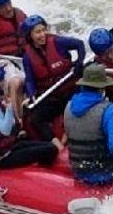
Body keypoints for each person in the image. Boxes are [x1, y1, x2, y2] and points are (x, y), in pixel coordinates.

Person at [0, 66, 58, 169]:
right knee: (51, 149)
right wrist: (10, 107)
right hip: (2, 156)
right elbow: (5, 130)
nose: (4, 83)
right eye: (1, 81)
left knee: (45, 145)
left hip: (8, 147)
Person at [21, 15, 85, 147]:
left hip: (70, 91)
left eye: (44, 30)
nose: (42, 35)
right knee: (36, 119)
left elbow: (79, 44)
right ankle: (57, 145)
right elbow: (30, 79)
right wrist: (31, 94)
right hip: (52, 97)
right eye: (38, 32)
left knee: (78, 110)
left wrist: (79, 63)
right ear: (30, 35)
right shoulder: (27, 56)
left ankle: (67, 136)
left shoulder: (57, 42)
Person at [63, 64, 113, 185]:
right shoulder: (110, 110)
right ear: (102, 88)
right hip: (105, 173)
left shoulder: (68, 107)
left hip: (79, 170)